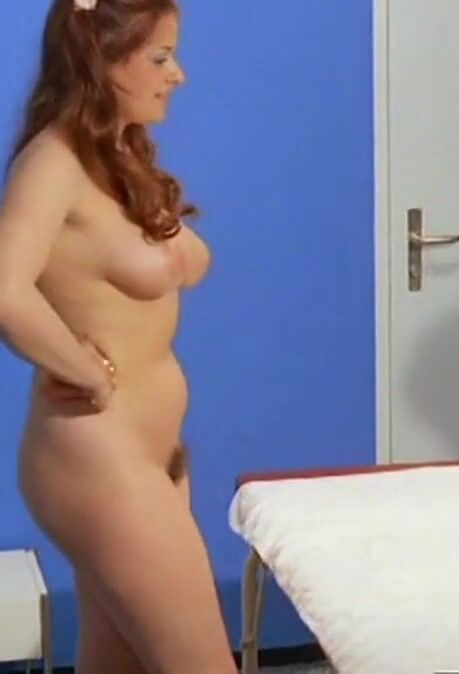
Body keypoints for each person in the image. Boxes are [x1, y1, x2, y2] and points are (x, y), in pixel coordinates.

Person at [0, 0, 235, 671]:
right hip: (97, 460)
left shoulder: (120, 156)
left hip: (150, 454)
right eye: (160, 58)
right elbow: (5, 289)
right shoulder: (53, 163)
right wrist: (83, 370)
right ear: (101, 63)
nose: (177, 75)